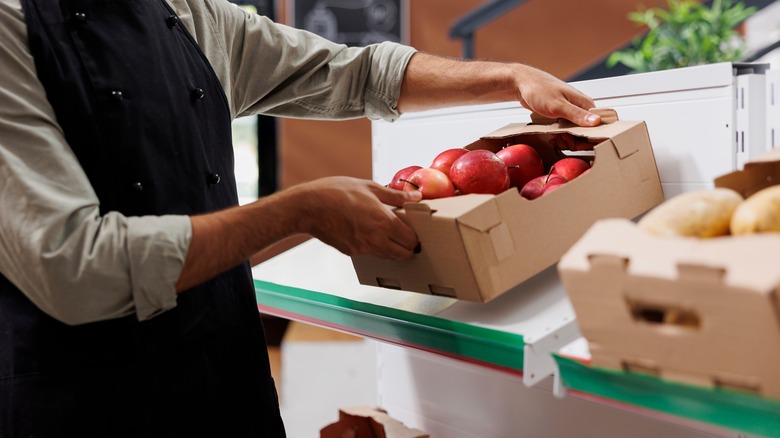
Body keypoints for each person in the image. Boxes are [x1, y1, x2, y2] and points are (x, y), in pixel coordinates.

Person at [0, 0, 601, 436]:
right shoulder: (10, 30)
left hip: (223, 384)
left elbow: (355, 72)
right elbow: (74, 266)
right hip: (79, 401)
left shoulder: (189, 14)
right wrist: (299, 209)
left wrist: (508, 78)